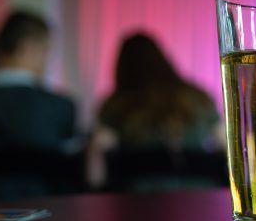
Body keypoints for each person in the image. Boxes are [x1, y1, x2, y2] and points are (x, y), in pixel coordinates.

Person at [0, 10, 79, 200]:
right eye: (46, 50)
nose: (48, 60)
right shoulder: (61, 107)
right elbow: (71, 179)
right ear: (28, 48)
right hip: (49, 214)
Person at [88, 32, 223, 191]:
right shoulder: (199, 97)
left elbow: (95, 173)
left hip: (138, 196)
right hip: (199, 193)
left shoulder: (117, 103)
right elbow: (226, 144)